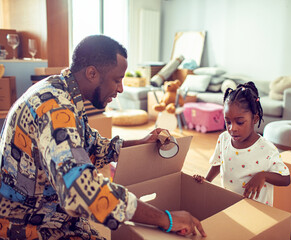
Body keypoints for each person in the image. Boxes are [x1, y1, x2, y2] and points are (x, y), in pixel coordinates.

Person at [0, 35, 206, 239]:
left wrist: (140, 142)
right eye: (117, 79)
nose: (121, 88)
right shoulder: (55, 109)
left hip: (51, 214)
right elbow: (80, 189)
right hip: (27, 225)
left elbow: (93, 146)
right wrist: (166, 218)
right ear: (92, 73)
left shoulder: (64, 92)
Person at [193, 82, 290, 206]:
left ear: (255, 119)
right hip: (230, 203)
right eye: (227, 122)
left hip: (257, 211)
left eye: (239, 122)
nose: (232, 128)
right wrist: (207, 181)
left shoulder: (267, 149)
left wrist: (263, 176)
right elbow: (219, 162)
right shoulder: (224, 138)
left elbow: (286, 179)